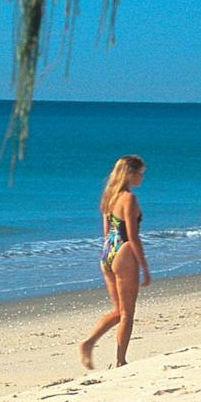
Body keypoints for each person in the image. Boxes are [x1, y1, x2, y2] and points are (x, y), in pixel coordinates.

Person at [80, 154, 149, 368]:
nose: (141, 178)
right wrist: (145, 267)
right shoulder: (129, 199)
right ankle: (121, 360)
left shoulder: (108, 196)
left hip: (107, 251)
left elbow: (106, 231)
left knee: (119, 311)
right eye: (140, 173)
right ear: (129, 173)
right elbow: (133, 235)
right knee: (127, 313)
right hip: (124, 252)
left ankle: (89, 342)